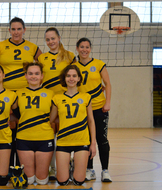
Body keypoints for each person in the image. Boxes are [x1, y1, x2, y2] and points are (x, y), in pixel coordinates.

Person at [0, 17, 42, 171]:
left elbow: (43, 67)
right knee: (7, 128)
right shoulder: (0, 46)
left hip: (25, 95)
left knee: (22, 127)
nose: (16, 32)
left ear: (24, 30)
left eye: (19, 29)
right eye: (13, 29)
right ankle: (6, 166)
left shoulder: (32, 47)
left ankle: (21, 166)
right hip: (5, 95)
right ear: (9, 30)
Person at [38, 27, 76, 179]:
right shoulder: (41, 58)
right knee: (50, 134)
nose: (50, 42)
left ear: (59, 38)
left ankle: (69, 164)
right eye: (47, 39)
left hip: (65, 100)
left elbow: (76, 76)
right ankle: (53, 167)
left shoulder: (70, 56)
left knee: (67, 133)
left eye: (53, 38)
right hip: (48, 100)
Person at [50, 65, 96, 186]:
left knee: (78, 181)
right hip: (63, 141)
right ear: (64, 79)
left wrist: (93, 143)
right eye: (68, 76)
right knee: (62, 182)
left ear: (79, 78)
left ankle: (74, 164)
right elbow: (51, 119)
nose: (71, 78)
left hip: (82, 141)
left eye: (74, 76)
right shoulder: (57, 98)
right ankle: (68, 165)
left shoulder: (86, 97)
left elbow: (91, 121)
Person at [74, 37, 112, 182]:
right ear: (77, 48)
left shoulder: (98, 64)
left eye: (87, 47)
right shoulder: (73, 65)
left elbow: (107, 84)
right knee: (86, 139)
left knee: (102, 139)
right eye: (82, 47)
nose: (84, 49)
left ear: (90, 49)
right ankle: (89, 170)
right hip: (81, 109)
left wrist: (107, 102)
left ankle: (105, 170)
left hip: (99, 106)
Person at [15, 62, 55, 185]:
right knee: (29, 180)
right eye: (30, 73)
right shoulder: (17, 94)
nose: (34, 76)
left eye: (37, 74)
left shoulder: (51, 94)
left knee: (42, 181)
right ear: (25, 76)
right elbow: (14, 114)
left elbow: (53, 118)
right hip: (24, 139)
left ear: (42, 76)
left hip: (44, 138)